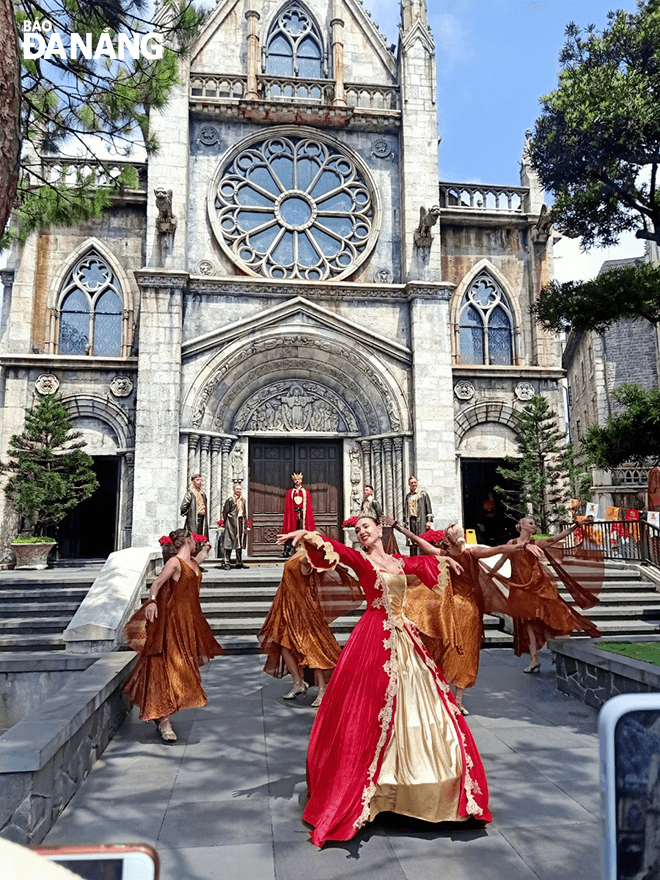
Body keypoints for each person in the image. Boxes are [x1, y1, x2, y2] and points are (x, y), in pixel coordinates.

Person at [277, 516, 491, 848]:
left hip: (404, 637)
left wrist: (446, 558)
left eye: (367, 526)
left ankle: (423, 786)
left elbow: (423, 562)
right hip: (373, 637)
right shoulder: (362, 560)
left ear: (380, 530)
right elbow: (336, 551)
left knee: (424, 711)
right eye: (358, 529)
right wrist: (307, 534)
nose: (363, 532)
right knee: (368, 710)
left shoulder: (397, 561)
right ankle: (371, 789)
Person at [384, 516, 518, 715]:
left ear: (451, 539)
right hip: (459, 608)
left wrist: (398, 527)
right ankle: (456, 699)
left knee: (452, 648)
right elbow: (498, 549)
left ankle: (447, 695)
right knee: (462, 650)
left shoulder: (462, 553)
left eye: (446, 536)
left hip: (460, 609)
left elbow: (419, 542)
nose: (443, 539)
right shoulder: (459, 553)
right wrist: (521, 546)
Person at [123, 528, 223, 742]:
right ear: (187, 540)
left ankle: (164, 711)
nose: (195, 542)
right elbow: (157, 584)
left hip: (189, 623)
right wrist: (151, 601)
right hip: (172, 623)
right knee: (169, 666)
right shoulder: (174, 563)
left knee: (183, 667)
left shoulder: (193, 563)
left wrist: (207, 545)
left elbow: (200, 558)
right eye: (193, 539)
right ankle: (164, 719)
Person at [488, 516, 601, 673]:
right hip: (521, 590)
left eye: (534, 524)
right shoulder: (512, 544)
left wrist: (575, 526)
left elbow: (556, 538)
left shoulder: (537, 543)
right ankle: (534, 660)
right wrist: (490, 574)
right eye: (530, 523)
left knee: (548, 619)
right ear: (521, 525)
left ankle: (557, 652)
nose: (534, 526)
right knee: (528, 625)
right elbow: (502, 559)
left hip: (539, 589)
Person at [258, 548, 362, 707]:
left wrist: (322, 552)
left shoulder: (307, 560)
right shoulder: (297, 554)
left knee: (315, 649)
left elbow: (312, 560)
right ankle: (298, 683)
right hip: (287, 608)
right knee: (283, 645)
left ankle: (323, 689)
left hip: (305, 610)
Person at [281, 472, 315, 558]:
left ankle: (306, 550)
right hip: (293, 515)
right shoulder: (290, 492)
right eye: (296, 479)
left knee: (303, 532)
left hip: (303, 515)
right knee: (291, 531)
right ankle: (287, 550)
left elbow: (308, 505)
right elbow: (288, 506)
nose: (297, 481)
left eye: (298, 479)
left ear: (301, 480)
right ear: (293, 481)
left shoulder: (306, 492)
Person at [403, 475, 433, 556]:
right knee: (412, 539)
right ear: (409, 484)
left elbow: (428, 508)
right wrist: (405, 522)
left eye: (415, 482)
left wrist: (429, 521)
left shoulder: (422, 494)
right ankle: (413, 558)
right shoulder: (408, 496)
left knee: (421, 539)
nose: (414, 484)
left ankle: (422, 558)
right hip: (411, 520)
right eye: (412, 483)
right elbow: (405, 510)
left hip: (421, 520)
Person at [221, 482, 248, 570]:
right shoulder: (230, 500)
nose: (239, 491)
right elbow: (225, 512)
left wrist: (245, 524)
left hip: (240, 522)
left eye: (240, 489)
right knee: (229, 542)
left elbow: (244, 512)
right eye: (237, 489)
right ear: (234, 490)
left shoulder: (243, 500)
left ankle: (239, 562)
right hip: (231, 523)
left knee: (239, 542)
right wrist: (226, 521)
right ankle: (226, 562)